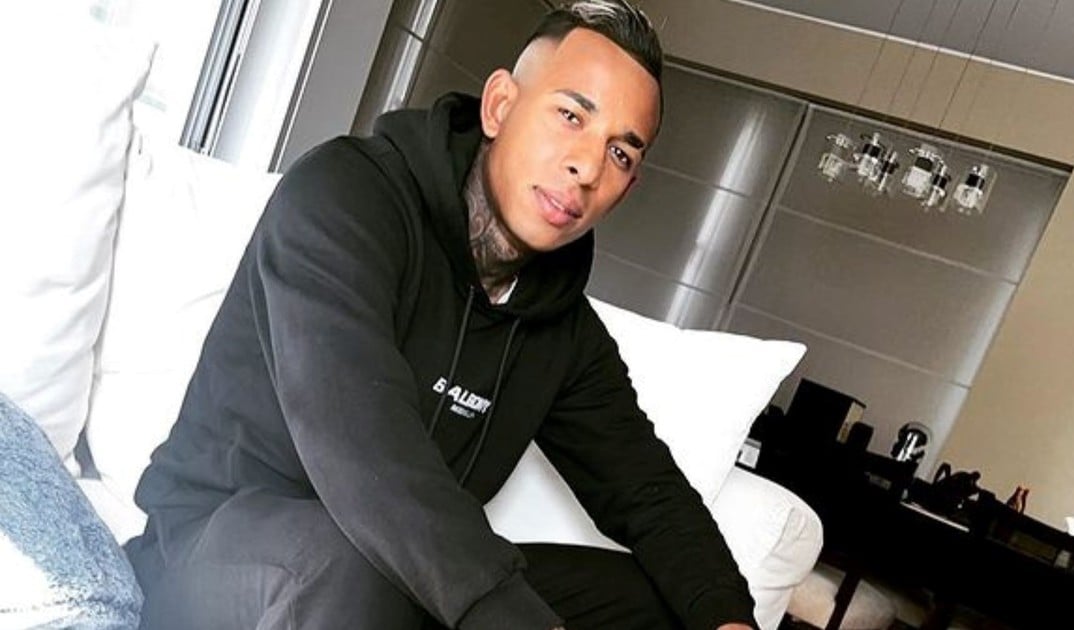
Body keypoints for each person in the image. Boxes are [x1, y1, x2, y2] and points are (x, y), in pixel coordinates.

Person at [125, 2, 758, 629]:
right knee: (348, 568)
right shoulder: (344, 197)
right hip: (214, 557)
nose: (587, 167)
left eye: (621, 153)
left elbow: (650, 496)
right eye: (571, 116)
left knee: (658, 604)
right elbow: (362, 444)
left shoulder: (563, 331)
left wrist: (729, 619)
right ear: (500, 106)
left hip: (401, 583)